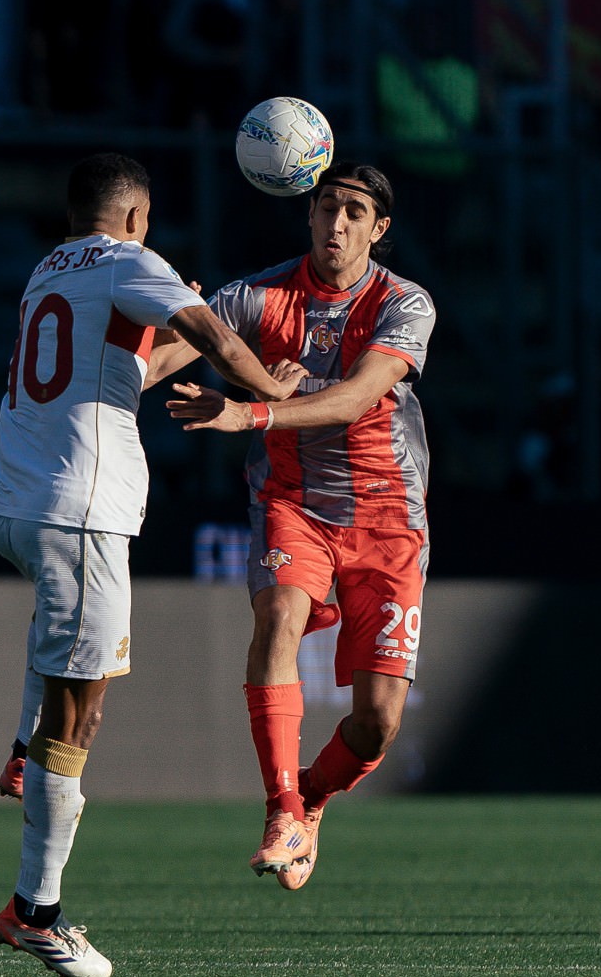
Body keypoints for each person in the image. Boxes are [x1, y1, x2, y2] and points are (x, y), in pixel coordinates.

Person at [0, 152, 304, 977]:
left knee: (59, 640)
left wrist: (184, 325)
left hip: (14, 506)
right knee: (82, 715)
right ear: (135, 218)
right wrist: (271, 397)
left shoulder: (51, 269)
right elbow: (216, 336)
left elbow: (139, 364)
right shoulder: (134, 261)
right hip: (80, 513)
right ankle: (36, 912)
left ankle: (25, 746)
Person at [164, 165, 434, 893]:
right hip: (295, 501)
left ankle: (312, 797)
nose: (336, 224)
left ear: (378, 229)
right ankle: (282, 806)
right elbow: (167, 358)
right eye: (325, 208)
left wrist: (248, 411)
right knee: (279, 613)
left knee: (376, 724)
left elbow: (353, 399)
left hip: (387, 517)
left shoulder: (404, 302)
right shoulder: (257, 295)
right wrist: (157, 323)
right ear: (307, 214)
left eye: (354, 212)